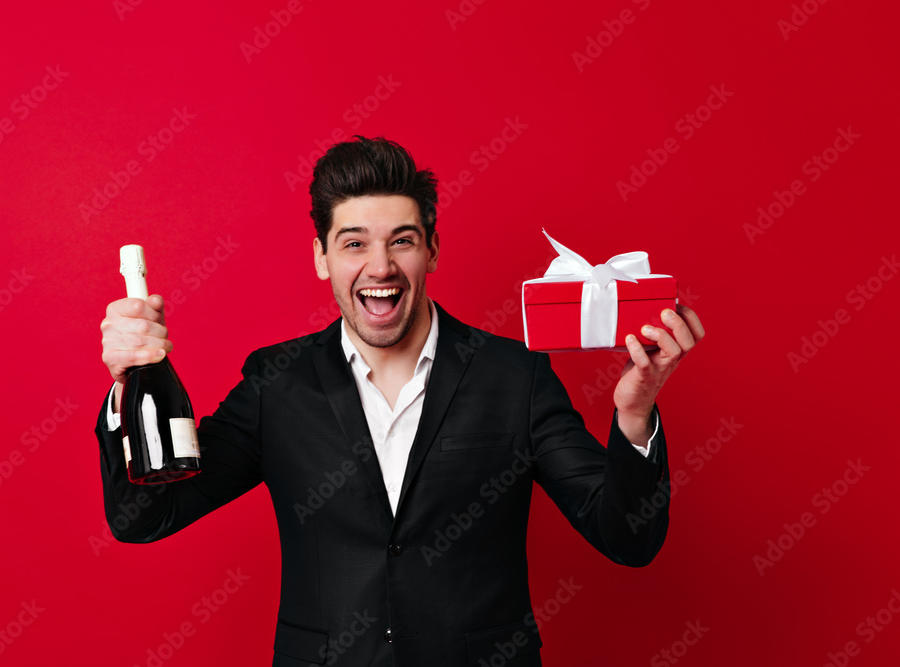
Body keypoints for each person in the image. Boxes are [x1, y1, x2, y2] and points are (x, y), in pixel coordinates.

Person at [96, 136, 704, 666]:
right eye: (354, 243)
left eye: (402, 241)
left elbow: (628, 539)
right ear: (321, 257)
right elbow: (145, 517)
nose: (380, 267)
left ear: (432, 250)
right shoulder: (275, 383)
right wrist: (128, 386)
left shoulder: (512, 377)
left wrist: (634, 413)